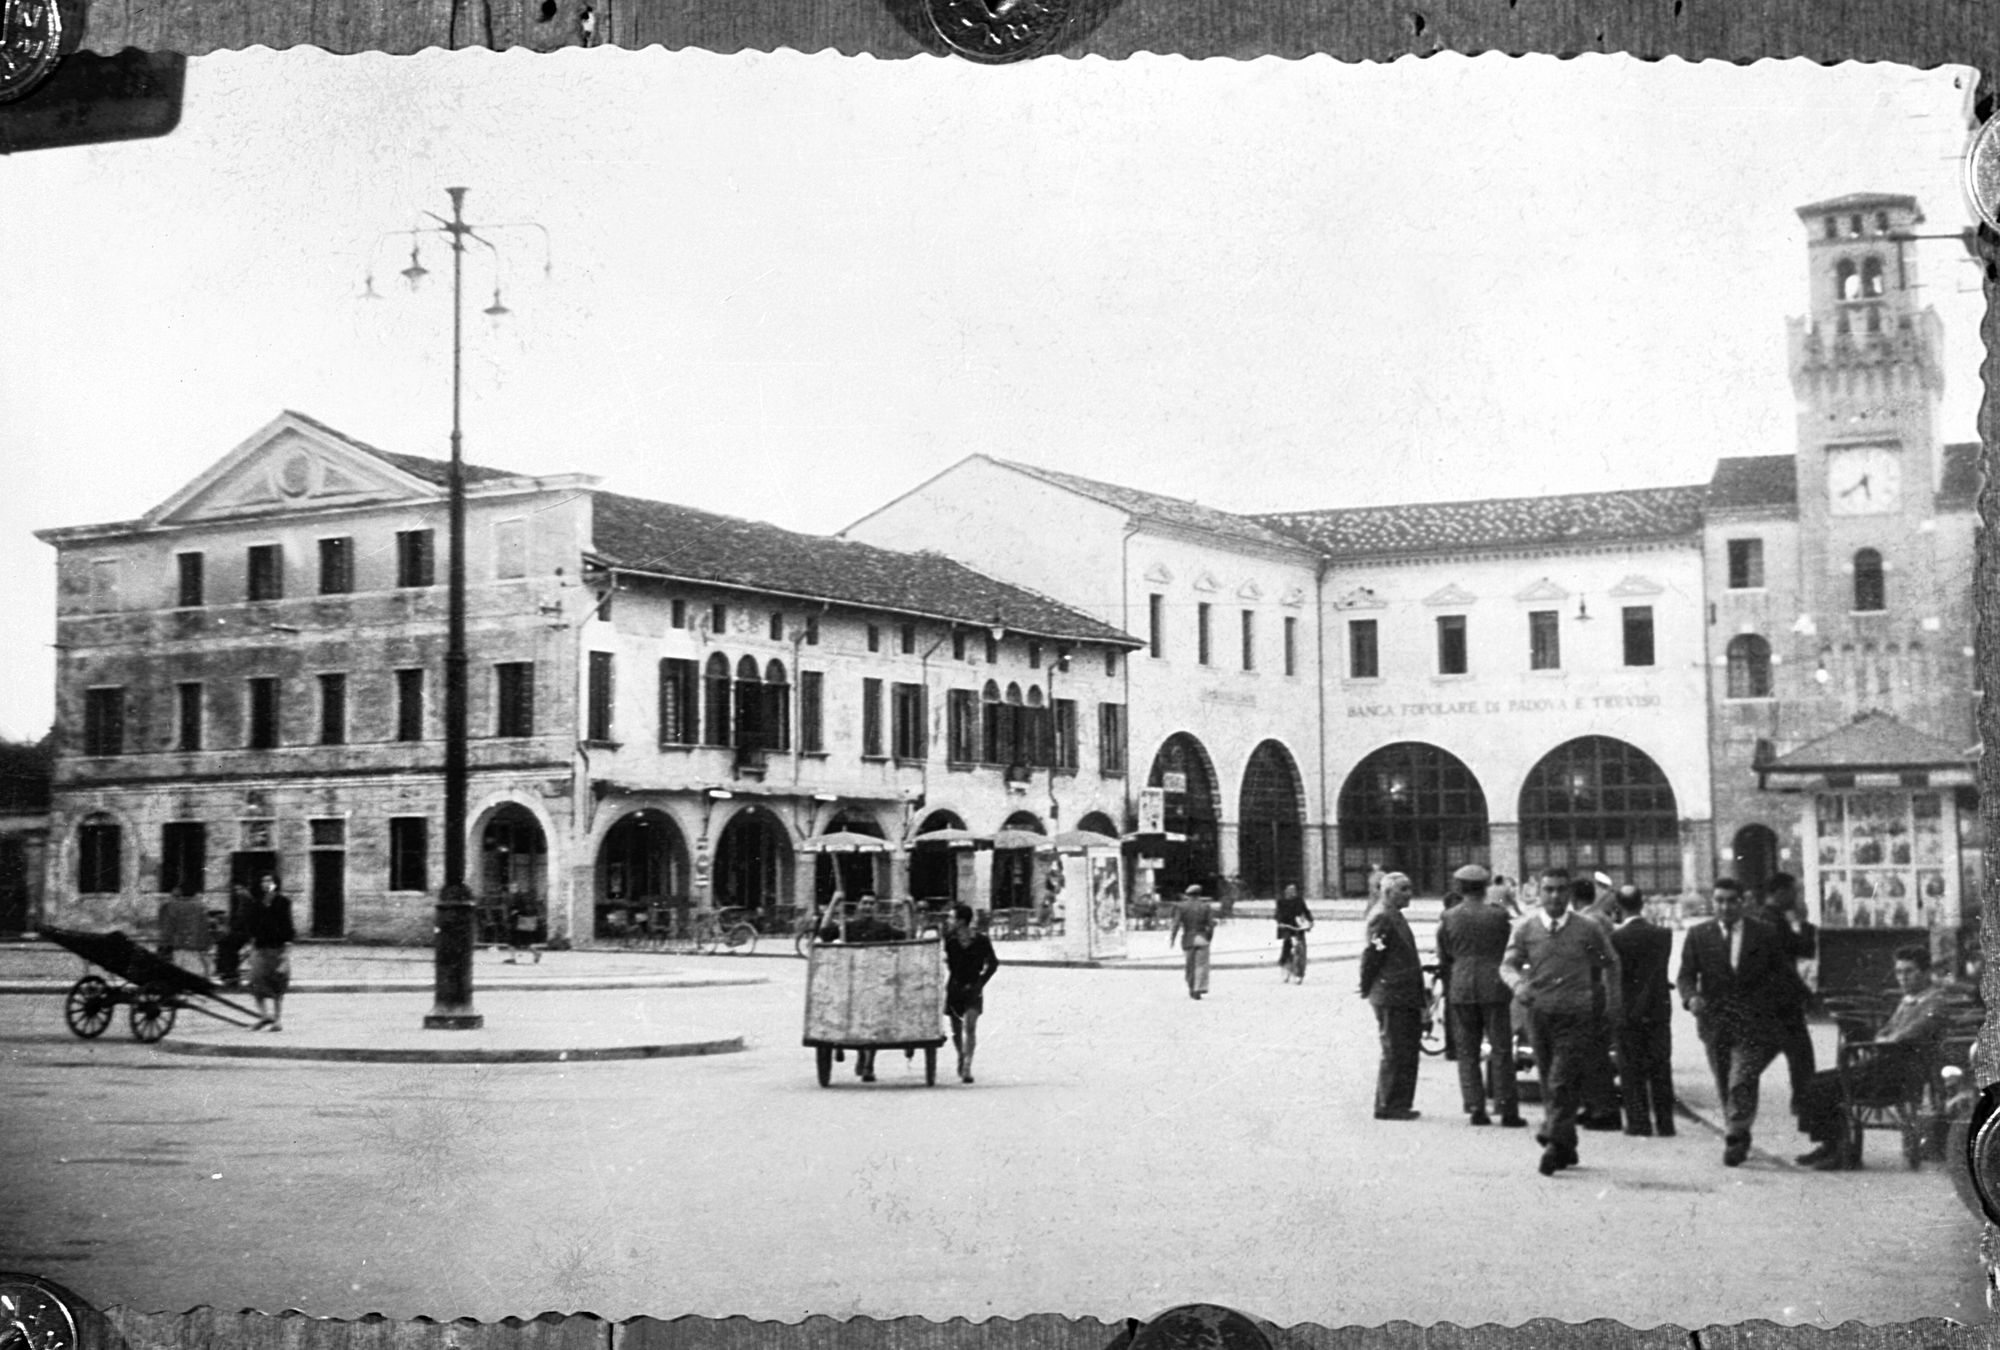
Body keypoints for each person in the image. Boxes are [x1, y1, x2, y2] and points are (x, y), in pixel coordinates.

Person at [1502, 867, 1622, 1175]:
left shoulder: (1586, 929)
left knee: (1561, 1079)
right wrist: (1518, 985)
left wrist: (1609, 1001)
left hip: (1577, 1014)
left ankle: (1553, 1140)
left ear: (1569, 894)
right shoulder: (1526, 928)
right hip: (1538, 1013)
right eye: (1548, 890)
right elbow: (1508, 965)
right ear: (1538, 893)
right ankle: (1566, 1144)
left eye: (1560, 890)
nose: (1554, 896)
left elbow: (1609, 964)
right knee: (1548, 1080)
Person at [1792, 945, 1950, 1170]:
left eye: (1909, 971)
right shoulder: (1909, 999)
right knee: (1815, 1081)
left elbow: (1910, 1031)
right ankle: (1830, 1144)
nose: (1902, 978)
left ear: (1925, 972)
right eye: (1898, 972)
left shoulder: (1934, 1002)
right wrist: (1884, 1037)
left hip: (1901, 1075)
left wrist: (1888, 1038)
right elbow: (1886, 1031)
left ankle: (1841, 1151)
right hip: (1882, 1067)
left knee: (1825, 1086)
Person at [1676, 876, 1791, 1167]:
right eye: (1719, 900)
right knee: (1725, 1079)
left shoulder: (1763, 933)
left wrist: (1771, 1007)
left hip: (1752, 1022)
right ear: (1713, 902)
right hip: (1714, 1022)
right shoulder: (1699, 934)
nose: (1725, 906)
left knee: (1741, 1079)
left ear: (1743, 902)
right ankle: (1737, 1131)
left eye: (1731, 900)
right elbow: (1686, 975)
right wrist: (1691, 999)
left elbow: (1780, 974)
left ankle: (1736, 1134)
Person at [1435, 864, 1524, 1127]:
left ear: (1459, 888)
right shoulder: (1498, 916)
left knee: (1467, 1050)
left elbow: (1445, 952)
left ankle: (1476, 1107)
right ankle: (1507, 1108)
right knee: (1502, 1048)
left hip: (1462, 986)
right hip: (1495, 986)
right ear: (1485, 887)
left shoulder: (1449, 916)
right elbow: (1508, 948)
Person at [1609, 883, 1677, 1136]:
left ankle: (1638, 1122)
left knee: (1631, 1068)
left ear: (1618, 907)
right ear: (1642, 904)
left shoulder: (1615, 938)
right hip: (1658, 1007)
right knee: (1660, 1066)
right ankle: (1665, 1122)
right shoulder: (1663, 935)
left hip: (1628, 1009)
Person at [1360, 871, 1424, 1120]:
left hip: (1402, 992)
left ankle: (1399, 1103)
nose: (1410, 894)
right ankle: (1388, 1104)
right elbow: (1374, 954)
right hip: (1392, 993)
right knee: (1396, 1050)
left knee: (1405, 1049)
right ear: (1388, 892)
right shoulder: (1383, 918)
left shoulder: (1393, 915)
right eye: (1404, 889)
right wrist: (1367, 985)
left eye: (1409, 888)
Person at [820, 896, 906, 1080]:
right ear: (858, 906)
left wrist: (908, 907)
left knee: (873, 1024)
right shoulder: (848, 927)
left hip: (875, 984)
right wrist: (834, 903)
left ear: (876, 907)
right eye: (864, 903)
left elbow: (908, 935)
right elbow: (824, 932)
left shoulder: (883, 928)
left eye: (871, 903)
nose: (867, 906)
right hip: (851, 984)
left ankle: (868, 1064)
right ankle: (857, 1054)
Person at [1568, 876, 1625, 1131]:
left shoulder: (1586, 922)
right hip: (1602, 990)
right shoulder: (1603, 918)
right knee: (1595, 1053)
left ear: (1573, 898)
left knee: (1592, 1055)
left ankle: (1604, 1110)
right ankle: (1594, 1107)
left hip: (1591, 992)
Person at [1760, 873, 1819, 1110]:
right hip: (1781, 999)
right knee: (1800, 1053)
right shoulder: (1772, 920)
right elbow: (1800, 950)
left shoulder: (1773, 917)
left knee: (1790, 1051)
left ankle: (1802, 1100)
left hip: (1778, 998)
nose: (1797, 896)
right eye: (1794, 891)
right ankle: (1803, 1102)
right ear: (1780, 892)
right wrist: (1804, 923)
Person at [944, 903, 1000, 1083]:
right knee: (956, 1029)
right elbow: (951, 964)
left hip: (973, 988)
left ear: (961, 921)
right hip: (954, 988)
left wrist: (981, 982)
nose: (949, 921)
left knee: (970, 1026)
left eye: (952, 918)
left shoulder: (982, 940)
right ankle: (961, 1055)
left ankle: (967, 1065)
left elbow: (993, 964)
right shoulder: (950, 940)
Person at [242, 872, 296, 1031]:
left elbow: (288, 926)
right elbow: (252, 927)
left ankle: (277, 1020)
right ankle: (264, 1015)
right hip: (260, 948)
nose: (265, 883)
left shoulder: (283, 902)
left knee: (277, 985)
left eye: (269, 880)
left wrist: (287, 953)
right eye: (263, 880)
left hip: (277, 948)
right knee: (256, 982)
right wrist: (250, 947)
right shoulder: (257, 903)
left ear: (276, 883)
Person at [1168, 884, 1216, 1000]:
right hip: (1202, 938)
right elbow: (1211, 925)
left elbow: (1176, 924)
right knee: (1201, 965)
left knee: (1190, 965)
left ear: (1187, 894)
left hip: (1188, 938)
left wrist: (1172, 939)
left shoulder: (1181, 907)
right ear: (1199, 894)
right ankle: (1198, 989)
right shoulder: (1206, 907)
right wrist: (1209, 938)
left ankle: (1191, 986)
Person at [155, 884, 214, 977]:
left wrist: (164, 940)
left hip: (179, 942)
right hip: (196, 943)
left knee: (181, 967)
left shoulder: (173, 907)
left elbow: (169, 926)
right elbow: (205, 927)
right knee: (195, 968)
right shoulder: (200, 907)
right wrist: (207, 943)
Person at [214, 882, 254, 987]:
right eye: (236, 890)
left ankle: (229, 972)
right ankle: (229, 972)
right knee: (226, 944)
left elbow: (243, 920)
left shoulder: (246, 901)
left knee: (225, 944)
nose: (238, 892)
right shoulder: (243, 901)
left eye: (240, 889)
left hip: (245, 933)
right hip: (243, 932)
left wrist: (232, 928)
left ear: (245, 889)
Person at [1274, 883, 1313, 983]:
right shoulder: (1281, 901)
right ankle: (1285, 965)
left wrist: (1310, 921)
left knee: (1301, 948)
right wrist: (1280, 922)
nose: (1292, 893)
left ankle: (1300, 972)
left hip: (1298, 926)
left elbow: (1306, 911)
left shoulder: (1299, 900)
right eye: (1289, 890)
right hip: (1287, 926)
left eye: (1294, 890)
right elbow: (1278, 914)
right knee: (1287, 945)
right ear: (1285, 891)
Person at [505, 891, 542, 964]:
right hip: (528, 926)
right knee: (526, 943)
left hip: (518, 926)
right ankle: (536, 953)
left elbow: (513, 914)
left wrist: (509, 920)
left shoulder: (517, 905)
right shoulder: (531, 905)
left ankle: (512, 958)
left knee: (511, 942)